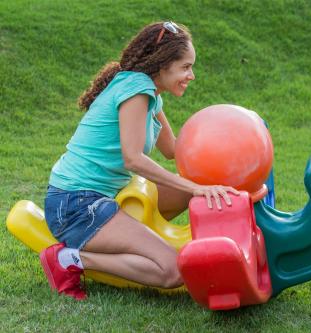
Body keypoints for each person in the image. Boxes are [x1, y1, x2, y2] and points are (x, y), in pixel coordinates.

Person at [40, 21, 239, 300]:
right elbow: (133, 159)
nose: (191, 75)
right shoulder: (136, 90)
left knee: (198, 184)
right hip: (75, 205)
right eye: (185, 67)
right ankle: (70, 260)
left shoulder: (152, 96)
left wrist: (228, 149)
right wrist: (194, 188)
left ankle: (142, 240)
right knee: (173, 270)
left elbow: (174, 150)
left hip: (103, 197)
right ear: (162, 64)